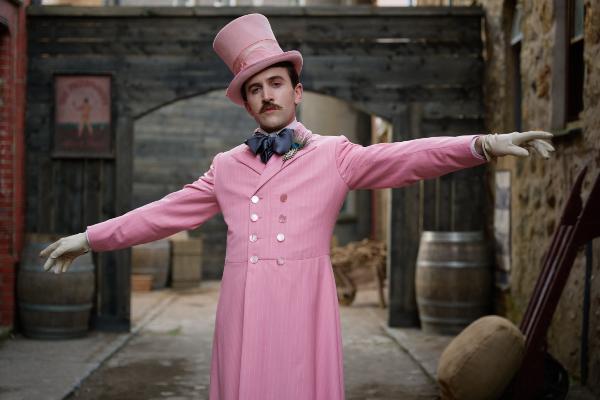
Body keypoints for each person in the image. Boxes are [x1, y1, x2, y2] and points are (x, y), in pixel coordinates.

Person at [39, 13, 554, 400]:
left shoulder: (335, 155)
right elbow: (162, 212)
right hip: (241, 313)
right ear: (246, 102)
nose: (267, 95)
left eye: (276, 84)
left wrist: (483, 144)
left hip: (303, 310)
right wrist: (90, 238)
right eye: (255, 89)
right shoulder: (226, 166)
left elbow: (406, 157)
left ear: (297, 91)